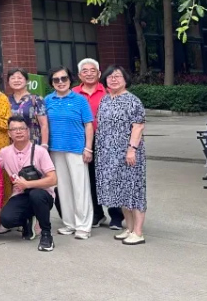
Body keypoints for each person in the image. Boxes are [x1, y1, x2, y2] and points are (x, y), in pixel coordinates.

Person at [95, 66, 147, 245]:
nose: (114, 79)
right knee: (121, 192)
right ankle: (129, 228)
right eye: (110, 76)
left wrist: (132, 149)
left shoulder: (132, 100)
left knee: (134, 191)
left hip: (128, 154)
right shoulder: (105, 100)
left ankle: (138, 232)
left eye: (118, 76)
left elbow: (138, 126)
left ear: (125, 80)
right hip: (109, 155)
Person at [44, 66, 94, 239]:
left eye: (63, 78)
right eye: (56, 79)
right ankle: (69, 223)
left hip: (76, 149)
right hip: (55, 150)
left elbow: (88, 125)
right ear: (51, 83)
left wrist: (88, 148)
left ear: (70, 79)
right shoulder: (47, 100)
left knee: (80, 188)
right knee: (63, 189)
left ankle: (83, 226)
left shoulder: (80, 100)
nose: (60, 82)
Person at [75, 57, 124, 230]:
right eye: (85, 71)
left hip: (108, 140)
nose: (89, 74)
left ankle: (116, 215)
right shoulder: (73, 93)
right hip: (82, 141)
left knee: (111, 177)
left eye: (92, 71)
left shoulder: (109, 91)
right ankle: (97, 214)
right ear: (79, 75)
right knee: (89, 178)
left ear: (99, 73)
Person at [0, 116, 58, 252]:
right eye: (14, 129)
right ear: (9, 133)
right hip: (20, 195)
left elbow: (53, 179)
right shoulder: (4, 153)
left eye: (22, 128)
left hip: (42, 195)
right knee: (6, 219)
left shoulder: (40, 151)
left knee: (36, 195)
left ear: (28, 131)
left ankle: (46, 234)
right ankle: (28, 220)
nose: (18, 132)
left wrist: (28, 184)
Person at [6, 68, 48, 146]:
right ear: (8, 82)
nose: (16, 80)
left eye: (19, 78)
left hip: (33, 144)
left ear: (27, 81)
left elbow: (44, 125)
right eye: (13, 78)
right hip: (13, 145)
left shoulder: (36, 99)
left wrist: (44, 145)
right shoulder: (6, 100)